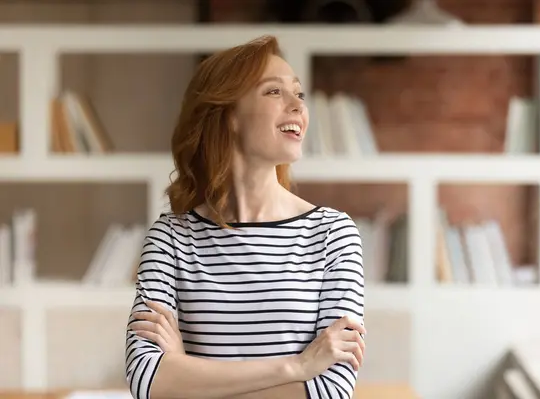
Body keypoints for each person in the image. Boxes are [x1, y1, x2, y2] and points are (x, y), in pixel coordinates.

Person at [124, 34, 366, 399]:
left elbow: (331, 389)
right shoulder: (171, 238)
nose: (298, 106)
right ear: (228, 114)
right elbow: (146, 379)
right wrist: (296, 367)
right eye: (274, 92)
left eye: (299, 93)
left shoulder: (332, 234)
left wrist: (186, 373)